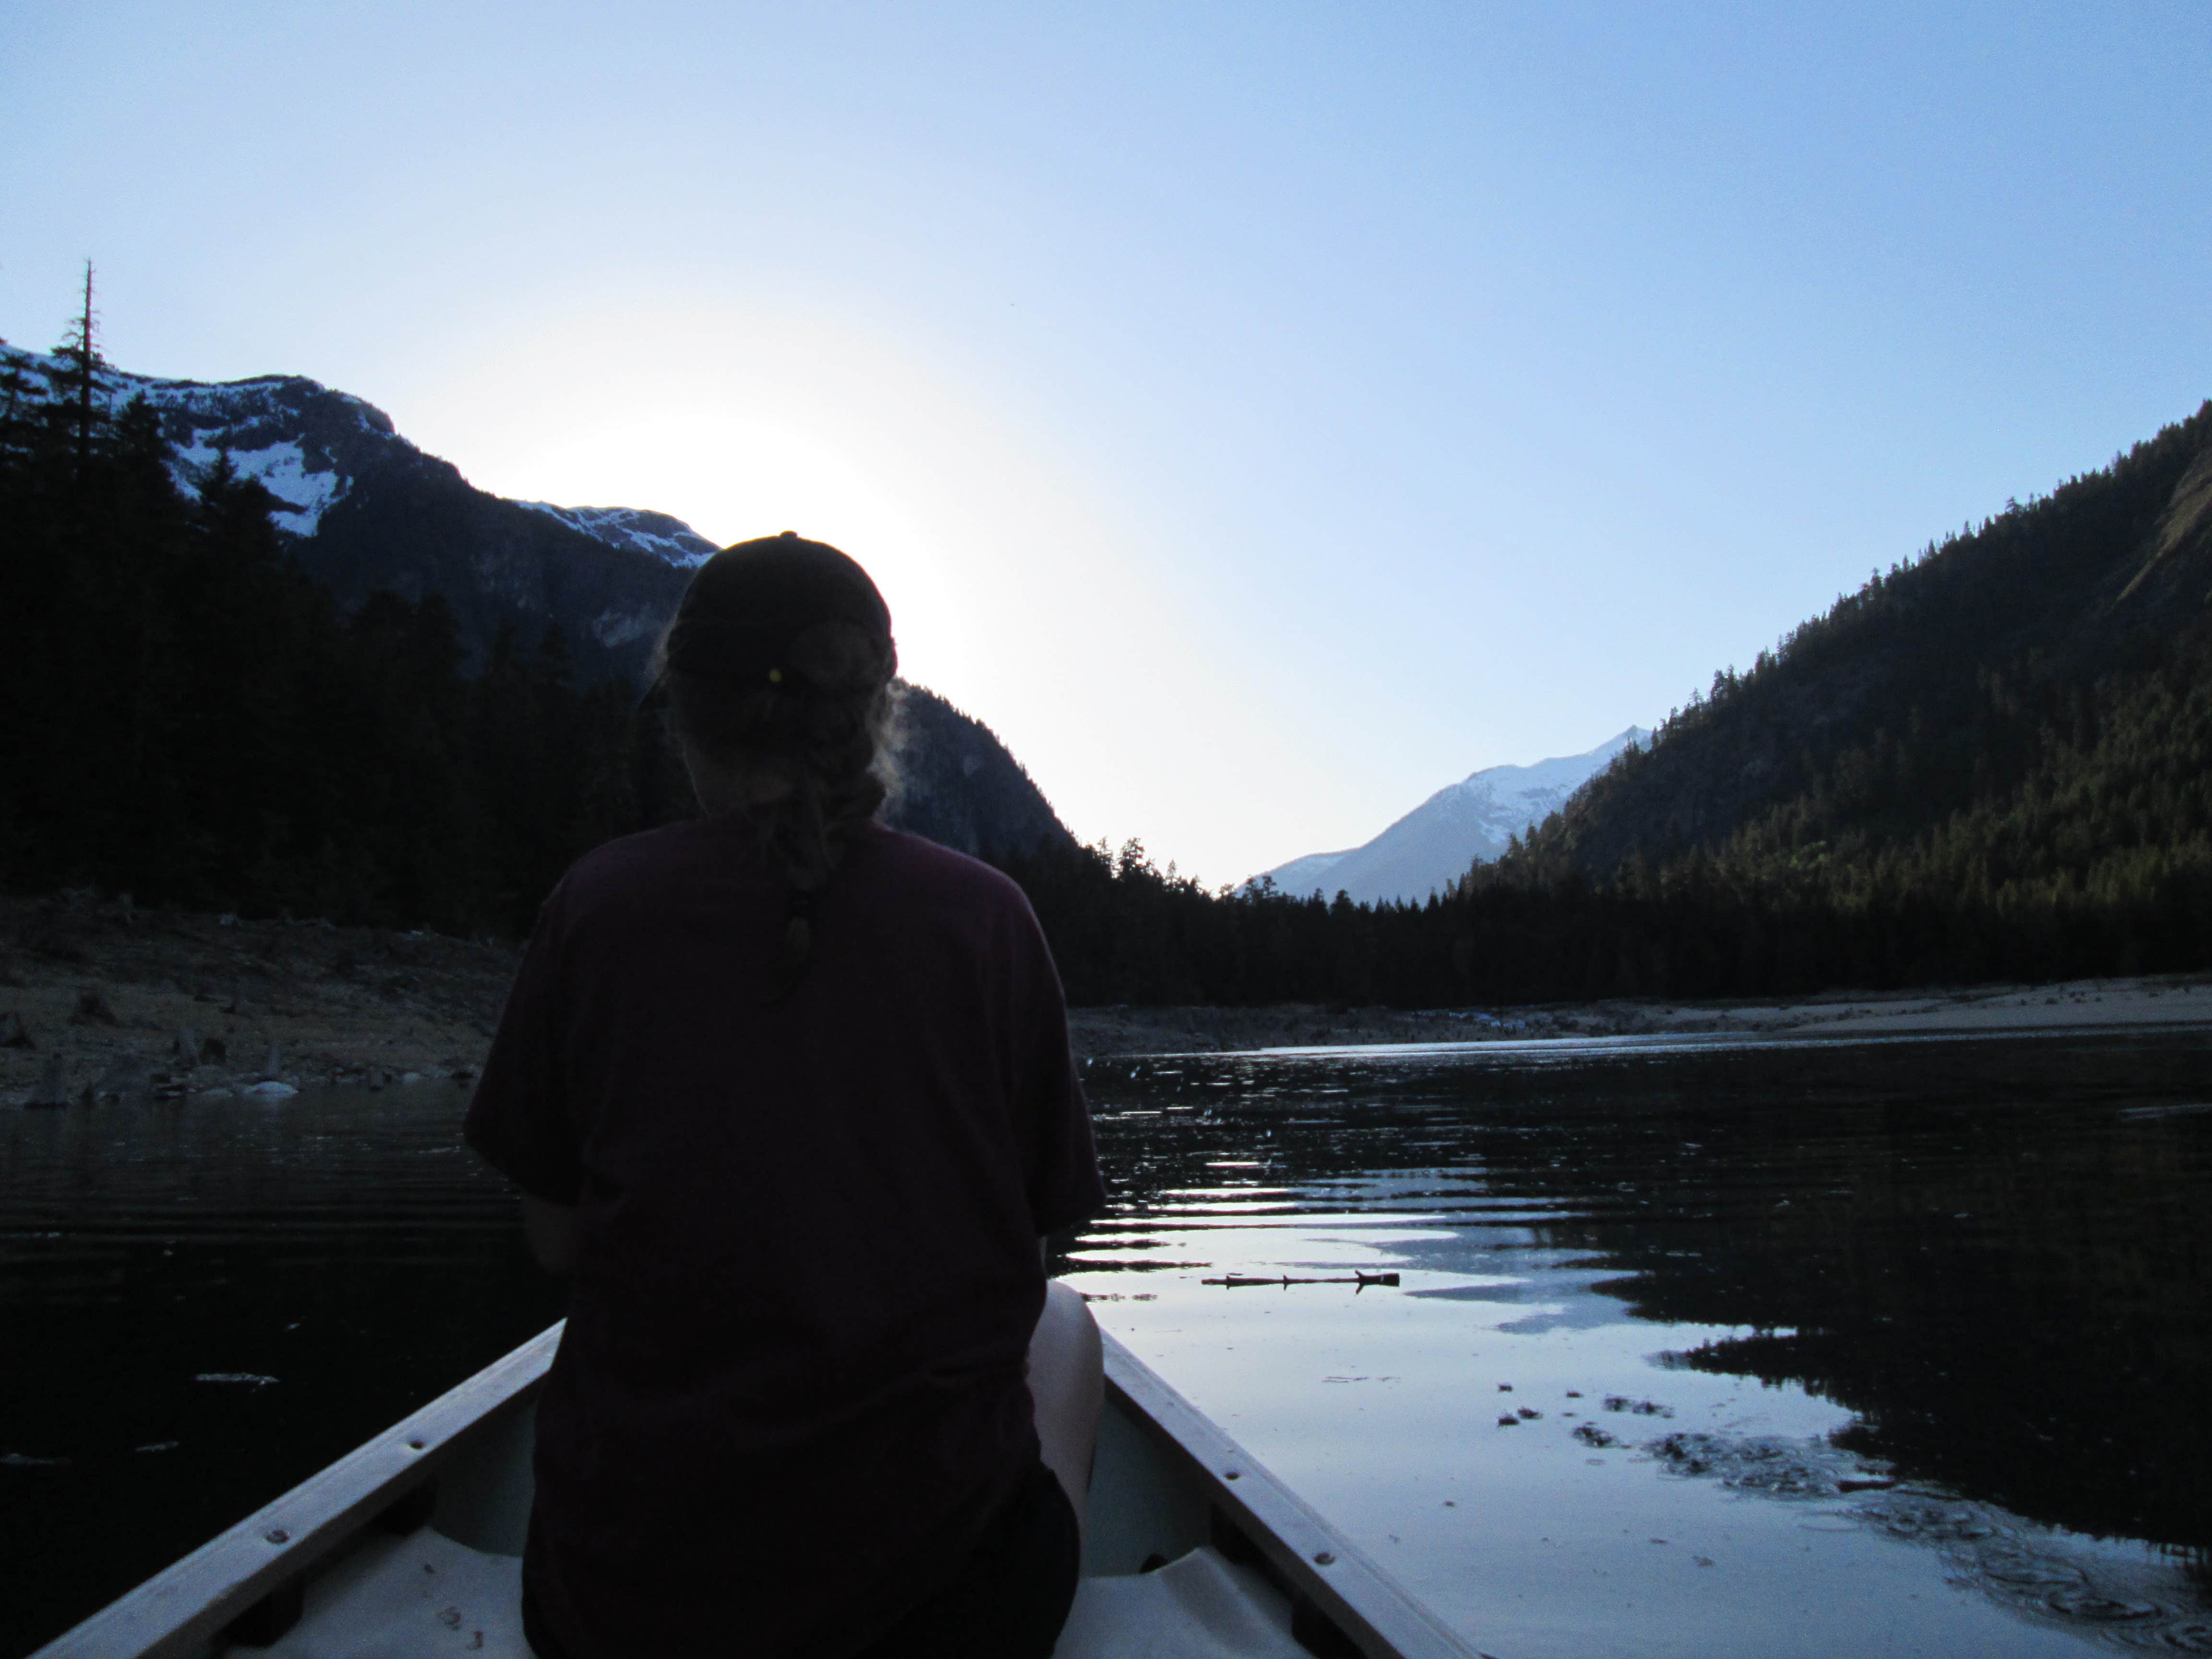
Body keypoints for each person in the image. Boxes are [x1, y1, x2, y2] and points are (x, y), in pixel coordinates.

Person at [464, 532, 1106, 1659]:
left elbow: (557, 1241)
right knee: (1062, 1323)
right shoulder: (988, 918)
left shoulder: (595, 908)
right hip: (949, 1620)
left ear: (688, 718)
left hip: (620, 1617)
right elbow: (1037, 1246)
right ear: (874, 715)